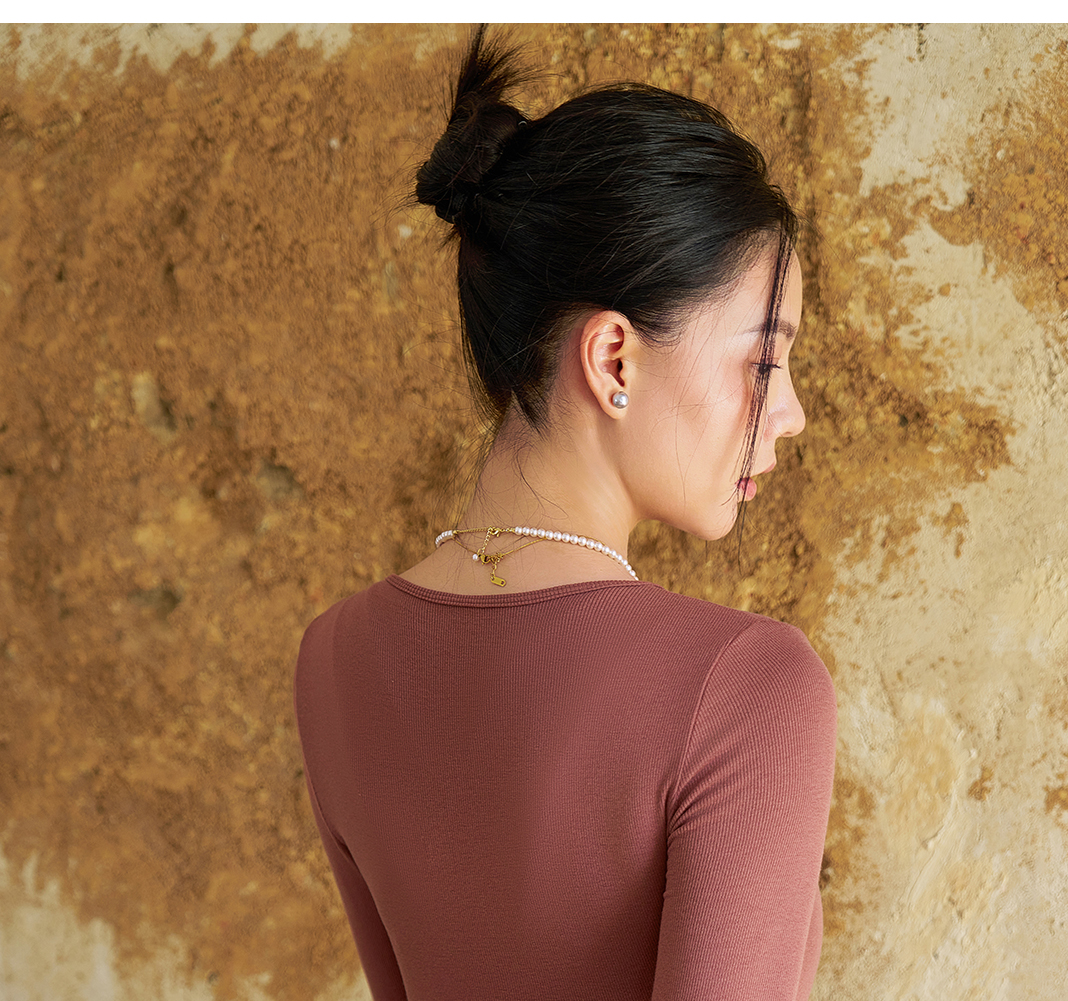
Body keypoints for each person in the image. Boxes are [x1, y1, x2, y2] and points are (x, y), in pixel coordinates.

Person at [293, 26, 837, 1001]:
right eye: (763, 359)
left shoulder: (333, 660)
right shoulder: (747, 688)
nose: (790, 412)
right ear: (613, 357)